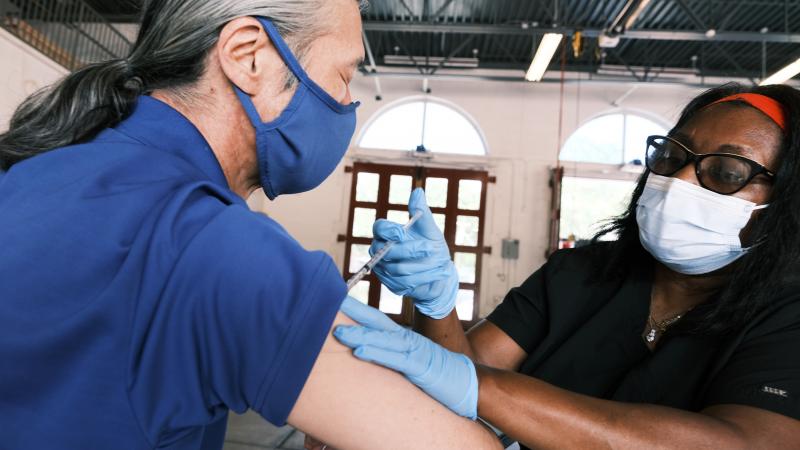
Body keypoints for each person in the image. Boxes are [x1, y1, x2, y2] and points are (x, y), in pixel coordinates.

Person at [0, 1, 502, 449]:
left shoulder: (31, 170)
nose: (348, 103)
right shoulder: (219, 247)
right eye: (344, 75)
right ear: (249, 55)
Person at [332, 83, 800, 449]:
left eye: (727, 172)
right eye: (672, 156)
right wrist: (437, 306)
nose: (678, 180)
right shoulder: (580, 274)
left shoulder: (786, 314)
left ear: (786, 202)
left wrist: (479, 387)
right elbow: (458, 371)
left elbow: (745, 442)